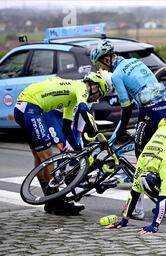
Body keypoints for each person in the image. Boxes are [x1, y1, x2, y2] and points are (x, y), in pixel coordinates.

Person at [90, 40, 166, 219]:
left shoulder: (118, 73)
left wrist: (119, 133)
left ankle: (137, 209)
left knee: (142, 160)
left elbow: (126, 109)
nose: (102, 67)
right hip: (165, 108)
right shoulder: (135, 61)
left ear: (106, 59)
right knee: (160, 158)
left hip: (150, 112)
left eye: (100, 63)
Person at [14, 73, 108, 214]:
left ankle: (49, 202)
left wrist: (77, 150)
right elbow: (83, 109)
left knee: (39, 158)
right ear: (94, 86)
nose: (97, 100)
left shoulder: (71, 98)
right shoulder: (81, 88)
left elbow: (66, 127)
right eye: (99, 95)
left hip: (23, 107)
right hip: (31, 107)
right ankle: (57, 202)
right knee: (48, 157)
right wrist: (96, 132)